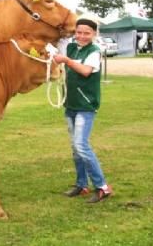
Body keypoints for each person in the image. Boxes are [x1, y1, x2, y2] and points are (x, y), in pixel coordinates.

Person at [53, 17, 113, 203]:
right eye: (78, 32)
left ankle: (102, 187)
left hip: (86, 106)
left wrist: (66, 61)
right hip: (71, 105)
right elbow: (58, 42)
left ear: (94, 34)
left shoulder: (94, 51)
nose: (82, 36)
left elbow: (86, 71)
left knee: (81, 145)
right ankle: (82, 184)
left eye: (86, 33)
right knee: (75, 148)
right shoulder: (70, 47)